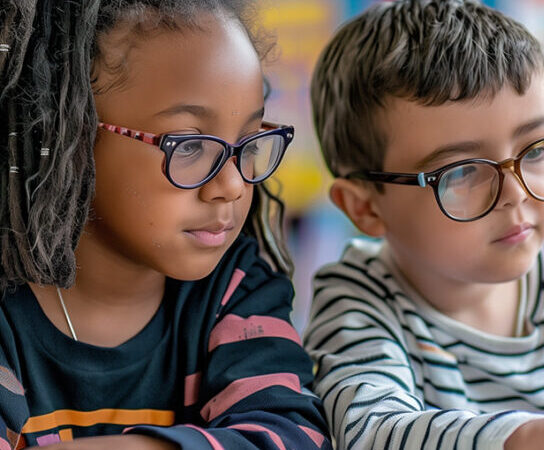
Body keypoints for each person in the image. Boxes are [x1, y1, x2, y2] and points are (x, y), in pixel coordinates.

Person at [303, 0, 544, 449]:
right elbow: (373, 434)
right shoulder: (358, 304)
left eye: (535, 151)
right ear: (366, 209)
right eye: (463, 171)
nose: (515, 192)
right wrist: (536, 438)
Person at [0, 1, 331, 449]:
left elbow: (291, 435)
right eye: (190, 145)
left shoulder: (234, 289)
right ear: (69, 135)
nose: (232, 185)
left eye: (249, 143)